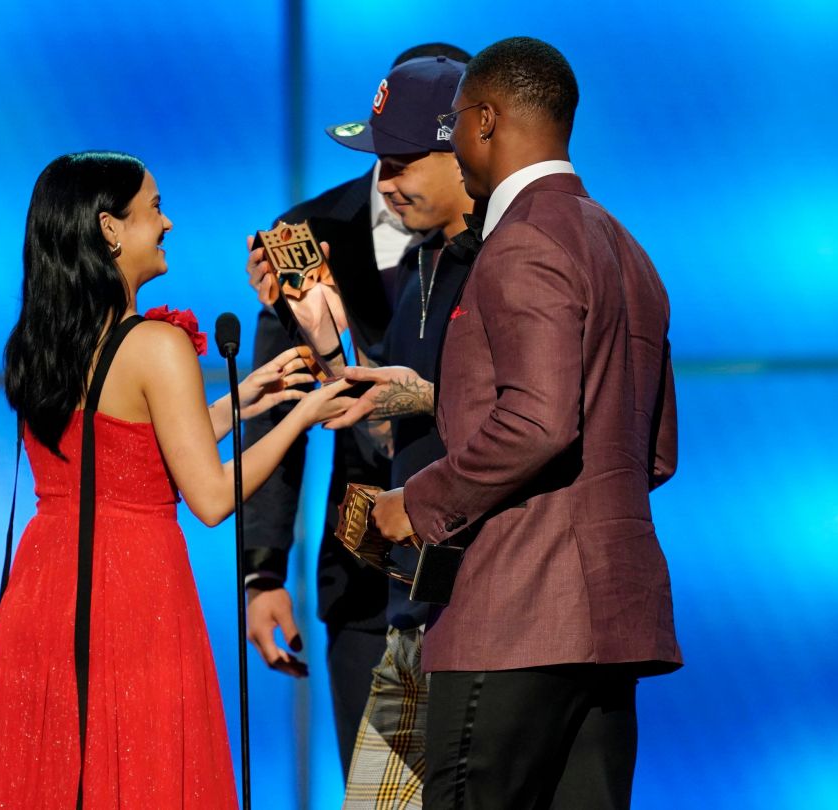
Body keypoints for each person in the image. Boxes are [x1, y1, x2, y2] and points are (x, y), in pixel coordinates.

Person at [0, 151, 351, 809]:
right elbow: (211, 496)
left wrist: (241, 400)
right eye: (155, 208)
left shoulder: (41, 342)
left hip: (45, 595)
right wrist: (303, 412)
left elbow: (118, 451)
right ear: (110, 229)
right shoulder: (155, 347)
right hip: (132, 594)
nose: (167, 224)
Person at [369, 38, 683, 809]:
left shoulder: (522, 244)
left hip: (515, 618)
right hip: (611, 623)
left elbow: (539, 422)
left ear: (482, 120)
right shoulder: (626, 247)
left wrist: (418, 501)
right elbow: (657, 451)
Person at [241, 42, 471, 778]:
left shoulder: (497, 240)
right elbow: (277, 411)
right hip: (364, 570)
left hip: (475, 563)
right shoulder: (301, 237)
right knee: (381, 789)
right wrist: (262, 574)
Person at [310, 54, 475, 808]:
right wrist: (328, 345)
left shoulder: (518, 263)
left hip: (486, 628)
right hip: (410, 626)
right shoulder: (423, 269)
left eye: (401, 162)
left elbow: (542, 423)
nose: (382, 183)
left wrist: (428, 398)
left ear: (465, 147)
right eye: (378, 162)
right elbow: (389, 436)